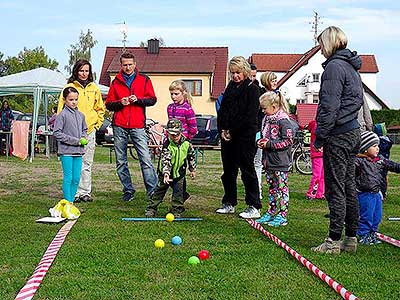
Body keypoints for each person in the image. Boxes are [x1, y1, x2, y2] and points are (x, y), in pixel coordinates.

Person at [311, 26, 364, 254]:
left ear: (330, 43)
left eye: (321, 44)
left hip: (339, 134)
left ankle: (333, 240)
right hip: (352, 131)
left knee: (335, 187)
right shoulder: (351, 68)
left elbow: (329, 107)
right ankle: (351, 238)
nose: (320, 49)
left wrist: (320, 135)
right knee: (349, 185)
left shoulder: (333, 67)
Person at [105, 52, 158, 202]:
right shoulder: (116, 82)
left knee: (145, 159)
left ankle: (152, 192)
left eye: (130, 64)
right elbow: (108, 104)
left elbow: (152, 100)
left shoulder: (144, 79)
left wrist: (138, 100)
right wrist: (120, 102)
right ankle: (128, 190)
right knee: (121, 161)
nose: (127, 67)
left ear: (135, 64)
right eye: (125, 65)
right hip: (119, 125)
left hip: (138, 125)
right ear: (121, 65)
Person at [216, 56, 262, 219]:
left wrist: (232, 131)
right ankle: (229, 202)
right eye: (232, 73)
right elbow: (223, 111)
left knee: (247, 170)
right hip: (227, 136)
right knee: (228, 171)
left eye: (238, 72)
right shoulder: (230, 87)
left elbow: (249, 116)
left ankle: (254, 205)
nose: (235, 76)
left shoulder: (253, 89)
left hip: (244, 136)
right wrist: (222, 129)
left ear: (245, 71)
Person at [58, 59, 105, 203]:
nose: (84, 74)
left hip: (89, 130)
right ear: (76, 71)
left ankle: (85, 191)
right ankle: (74, 193)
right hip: (71, 133)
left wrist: (97, 124)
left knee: (87, 162)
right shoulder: (69, 87)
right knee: (72, 164)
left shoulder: (94, 88)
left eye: (86, 71)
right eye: (81, 70)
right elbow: (61, 109)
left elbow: (100, 108)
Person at [255, 91, 294, 227]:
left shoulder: (283, 121)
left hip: (280, 162)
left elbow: (288, 141)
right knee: (272, 189)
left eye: (265, 108)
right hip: (269, 161)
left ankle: (282, 215)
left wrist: (269, 144)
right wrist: (260, 142)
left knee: (282, 189)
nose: (263, 111)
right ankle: (271, 212)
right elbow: (263, 134)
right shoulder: (266, 119)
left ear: (274, 106)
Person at [145, 119, 196, 218]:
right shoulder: (167, 145)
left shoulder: (187, 144)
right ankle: (151, 208)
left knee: (179, 192)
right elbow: (166, 161)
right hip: (165, 174)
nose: (175, 137)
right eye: (172, 135)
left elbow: (191, 156)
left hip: (179, 174)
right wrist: (166, 174)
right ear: (168, 133)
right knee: (159, 191)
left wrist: (192, 169)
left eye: (177, 134)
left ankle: (177, 210)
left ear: (181, 132)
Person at [356, 131, 400, 245]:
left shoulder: (380, 160)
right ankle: (363, 234)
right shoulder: (358, 161)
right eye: (374, 146)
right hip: (364, 194)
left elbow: (393, 166)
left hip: (376, 193)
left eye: (378, 146)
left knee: (377, 216)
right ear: (365, 148)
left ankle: (372, 234)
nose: (378, 148)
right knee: (366, 215)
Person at [53, 87, 88, 203]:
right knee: (68, 178)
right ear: (64, 100)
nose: (74, 102)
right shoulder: (61, 115)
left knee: (76, 179)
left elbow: (85, 129)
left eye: (76, 99)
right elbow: (57, 133)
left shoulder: (81, 115)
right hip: (66, 152)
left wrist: (83, 138)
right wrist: (76, 141)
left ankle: (71, 202)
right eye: (71, 99)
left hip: (78, 152)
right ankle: (67, 202)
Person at [250, 64, 266, 201]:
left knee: (257, 163)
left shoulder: (260, 91)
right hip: (246, 132)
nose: (252, 78)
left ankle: (257, 192)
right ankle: (252, 191)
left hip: (258, 131)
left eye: (254, 75)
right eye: (250, 75)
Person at [305, 119, 325, 200]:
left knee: (323, 175)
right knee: (317, 175)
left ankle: (320, 193)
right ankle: (311, 193)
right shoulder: (314, 123)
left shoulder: (327, 123)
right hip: (317, 154)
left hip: (324, 153)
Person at [373, 123, 393, 200]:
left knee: (381, 178)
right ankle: (384, 192)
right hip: (385, 161)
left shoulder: (380, 141)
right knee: (384, 177)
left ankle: (382, 193)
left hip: (380, 162)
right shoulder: (387, 140)